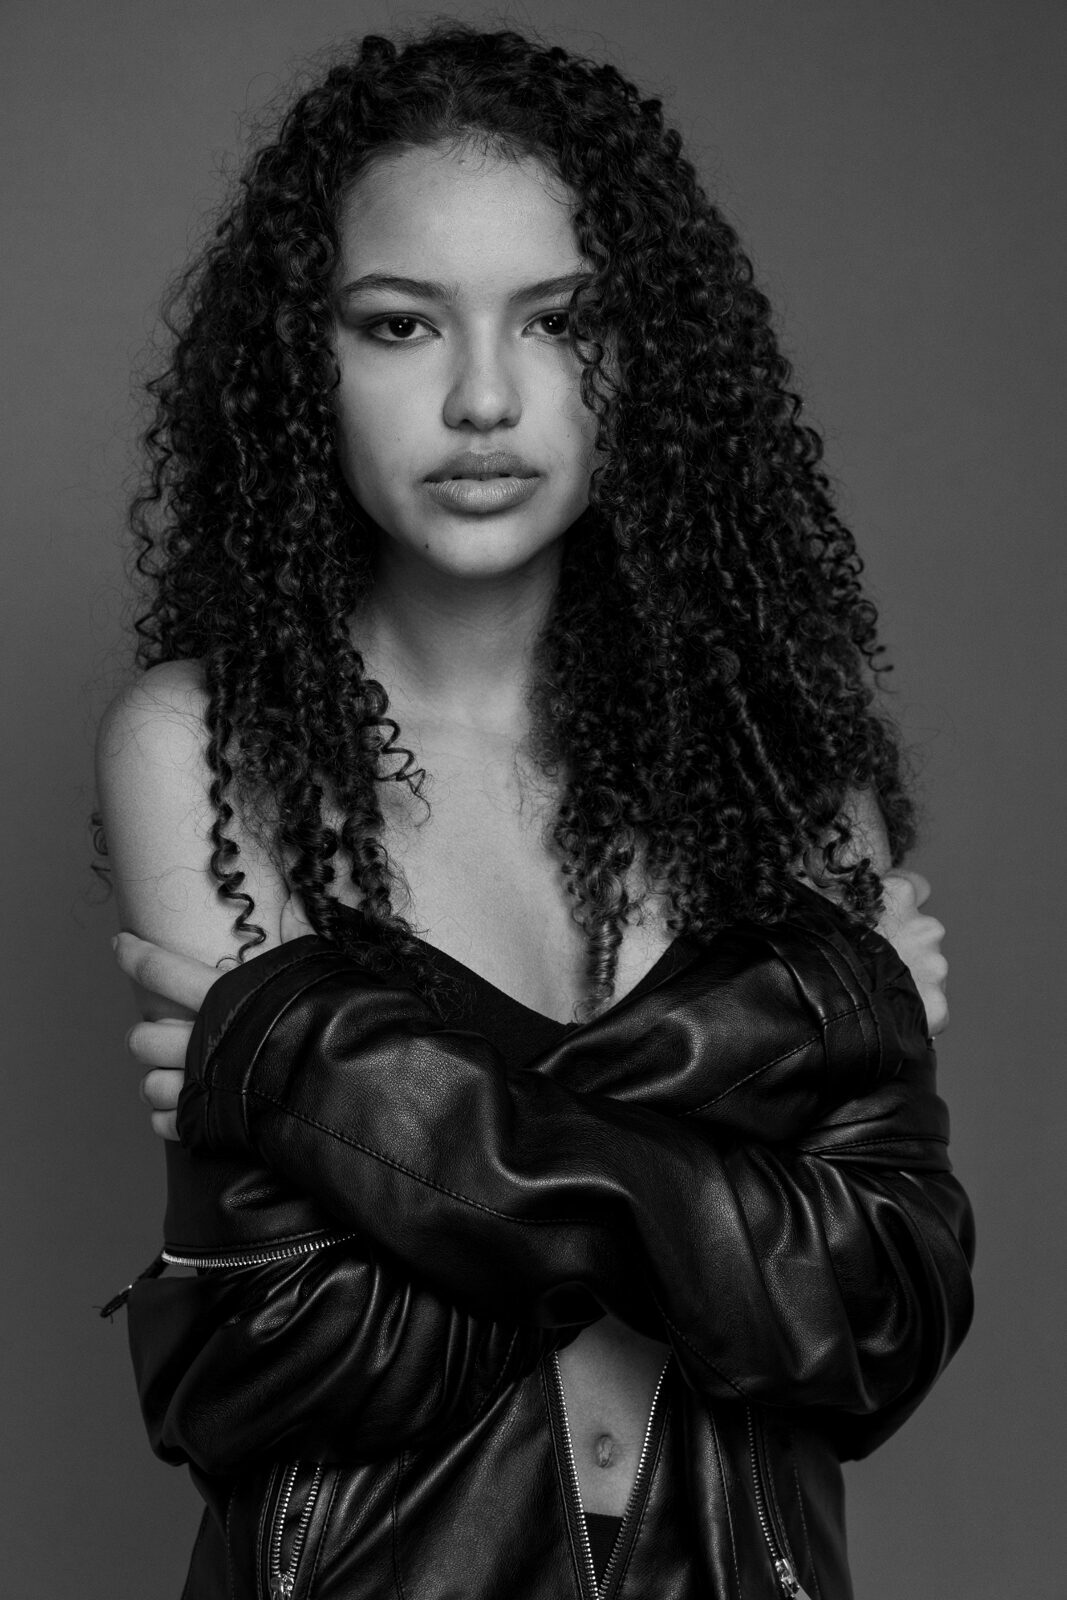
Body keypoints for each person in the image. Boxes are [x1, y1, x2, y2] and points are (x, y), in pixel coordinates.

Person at [95, 23, 973, 1599]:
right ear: (305, 360)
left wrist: (319, 1074)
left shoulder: (786, 774)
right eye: (399, 324)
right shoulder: (209, 752)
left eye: (561, 321)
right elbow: (295, 1342)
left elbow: (877, 1319)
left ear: (650, 355)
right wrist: (755, 1052)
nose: (485, 397)